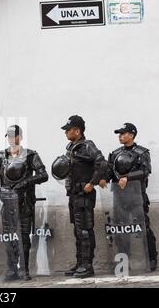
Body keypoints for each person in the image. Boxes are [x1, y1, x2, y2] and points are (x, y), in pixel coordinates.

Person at [0, 125, 48, 281]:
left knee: (24, 237)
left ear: (20, 137)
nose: (12, 139)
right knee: (9, 237)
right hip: (7, 203)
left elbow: (43, 174)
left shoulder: (30, 155)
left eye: (14, 136)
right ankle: (12, 269)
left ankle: (24, 269)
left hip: (24, 202)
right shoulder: (1, 156)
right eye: (9, 136)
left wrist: (25, 182)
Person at [99, 122, 158, 271]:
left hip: (137, 196)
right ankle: (123, 260)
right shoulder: (115, 153)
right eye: (119, 134)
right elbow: (110, 172)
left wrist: (128, 178)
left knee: (144, 228)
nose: (120, 136)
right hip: (120, 197)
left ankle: (151, 258)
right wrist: (103, 179)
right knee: (121, 230)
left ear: (131, 135)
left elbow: (145, 171)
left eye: (123, 133)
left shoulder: (142, 152)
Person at [56, 115, 106, 278]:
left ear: (77, 131)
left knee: (85, 230)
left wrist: (92, 183)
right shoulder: (71, 147)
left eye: (68, 130)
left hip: (84, 196)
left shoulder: (87, 146)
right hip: (74, 195)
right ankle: (80, 263)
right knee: (78, 231)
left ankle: (87, 266)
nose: (65, 133)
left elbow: (102, 163)